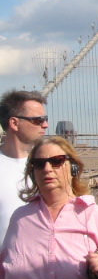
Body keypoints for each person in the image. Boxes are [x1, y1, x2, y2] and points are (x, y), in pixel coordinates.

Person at [0, 135, 98, 279]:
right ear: (33, 172)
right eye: (39, 164)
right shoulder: (20, 218)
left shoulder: (95, 217)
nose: (47, 168)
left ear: (73, 169)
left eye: (57, 161)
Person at [0, 89, 48, 244]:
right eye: (38, 120)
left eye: (45, 119)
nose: (45, 125)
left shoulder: (51, 165)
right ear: (14, 123)